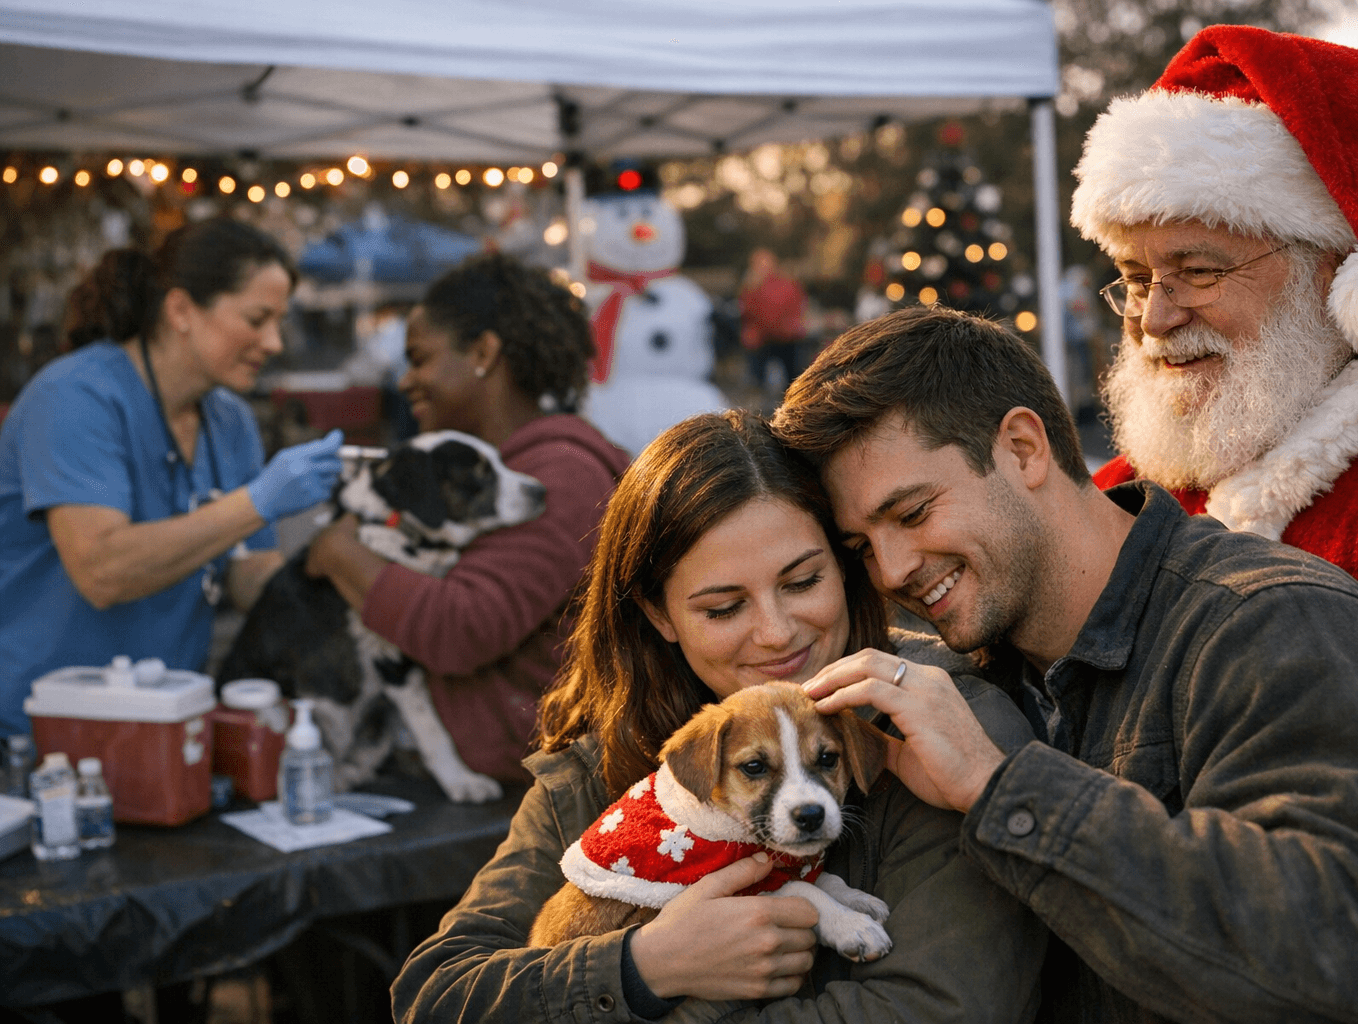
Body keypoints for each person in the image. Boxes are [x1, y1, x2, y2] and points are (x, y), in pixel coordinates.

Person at [771, 304, 1358, 1021]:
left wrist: (1001, 786)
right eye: (861, 547)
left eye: (911, 513)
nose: (893, 567)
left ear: (1024, 448)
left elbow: (1349, 958)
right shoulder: (964, 681)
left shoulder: (1273, 624)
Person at [1070, 26, 1358, 944]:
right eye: (1132, 278)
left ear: (1348, 276)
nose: (1154, 318)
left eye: (1197, 271)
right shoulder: (1136, 489)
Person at [391, 410, 1043, 1024]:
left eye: (801, 581)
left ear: (844, 568)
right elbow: (435, 994)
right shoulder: (601, 766)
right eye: (724, 608)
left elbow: (939, 1010)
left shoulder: (944, 730)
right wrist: (642, 968)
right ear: (660, 616)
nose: (776, 632)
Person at [0, 220, 343, 737]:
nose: (274, 342)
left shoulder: (230, 420)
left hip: (167, 721)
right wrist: (257, 501)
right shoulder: (74, 398)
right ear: (181, 310)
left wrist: (344, 567)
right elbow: (102, 570)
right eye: (257, 319)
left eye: (280, 321)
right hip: (40, 729)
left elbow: (247, 573)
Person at [304, 253, 630, 787]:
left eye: (420, 358)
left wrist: (342, 552)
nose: (406, 380)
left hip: (517, 777)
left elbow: (461, 627)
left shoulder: (560, 475)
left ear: (483, 353)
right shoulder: (516, 465)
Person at [739, 247, 809, 395]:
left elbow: (797, 308)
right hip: (762, 340)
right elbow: (746, 313)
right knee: (758, 376)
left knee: (793, 375)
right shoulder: (751, 286)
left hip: (785, 338)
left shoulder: (786, 284)